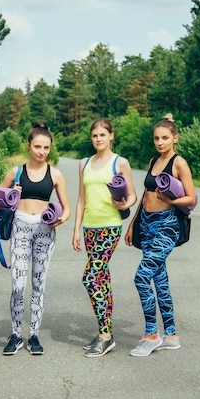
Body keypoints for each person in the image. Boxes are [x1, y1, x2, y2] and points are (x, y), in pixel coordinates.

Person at [124, 113, 196, 357]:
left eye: (165, 138)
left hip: (167, 226)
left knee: (142, 277)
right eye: (156, 138)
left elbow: (191, 198)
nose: (160, 142)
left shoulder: (178, 163)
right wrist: (133, 223)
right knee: (160, 281)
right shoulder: (153, 160)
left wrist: (169, 199)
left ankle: (152, 335)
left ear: (174, 138)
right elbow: (145, 194)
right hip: (147, 224)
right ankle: (172, 336)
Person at [0, 122, 71, 356]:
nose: (41, 151)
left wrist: (59, 220)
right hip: (20, 227)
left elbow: (67, 209)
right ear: (28, 145)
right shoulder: (15, 172)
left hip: (45, 230)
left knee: (38, 285)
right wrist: (12, 196)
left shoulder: (56, 174)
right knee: (18, 286)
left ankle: (34, 335)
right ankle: (16, 334)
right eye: (37, 146)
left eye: (46, 147)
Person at [72, 118, 137, 357]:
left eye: (102, 134)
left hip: (110, 227)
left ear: (111, 136)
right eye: (95, 135)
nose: (98, 139)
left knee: (90, 278)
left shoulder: (120, 163)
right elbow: (81, 198)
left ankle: (105, 336)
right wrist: (76, 229)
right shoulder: (84, 163)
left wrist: (123, 202)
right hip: (90, 227)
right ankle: (106, 332)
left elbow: (132, 195)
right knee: (102, 279)